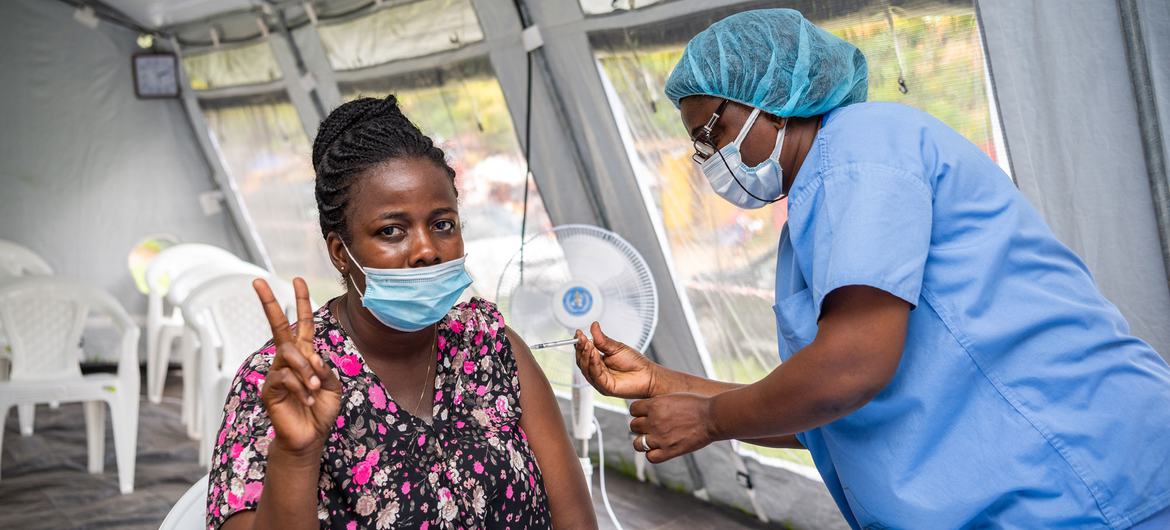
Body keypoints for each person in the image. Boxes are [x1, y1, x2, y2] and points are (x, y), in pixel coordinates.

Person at [574, 8, 1170, 529]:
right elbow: (827, 413)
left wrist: (708, 418)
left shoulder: (862, 149)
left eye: (714, 133)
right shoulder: (816, 204)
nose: (710, 159)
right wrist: (663, 384)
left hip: (1085, 481)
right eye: (699, 146)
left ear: (771, 100)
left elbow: (851, 369)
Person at [207, 96, 597, 530]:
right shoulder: (285, 382)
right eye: (391, 231)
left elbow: (575, 519)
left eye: (442, 224)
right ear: (341, 252)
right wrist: (296, 456)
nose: (427, 250)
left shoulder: (490, 347)